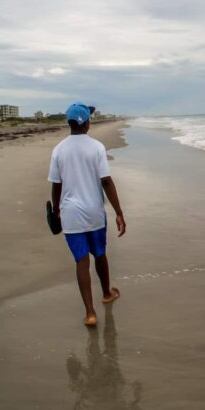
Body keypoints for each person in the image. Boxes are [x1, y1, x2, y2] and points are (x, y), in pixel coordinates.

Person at [49, 102, 127, 327]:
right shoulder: (96, 147)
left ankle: (90, 313)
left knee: (81, 262)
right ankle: (106, 293)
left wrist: (56, 212)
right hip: (94, 212)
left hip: (71, 214)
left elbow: (56, 185)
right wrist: (119, 212)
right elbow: (106, 181)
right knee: (100, 254)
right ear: (86, 123)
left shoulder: (59, 149)